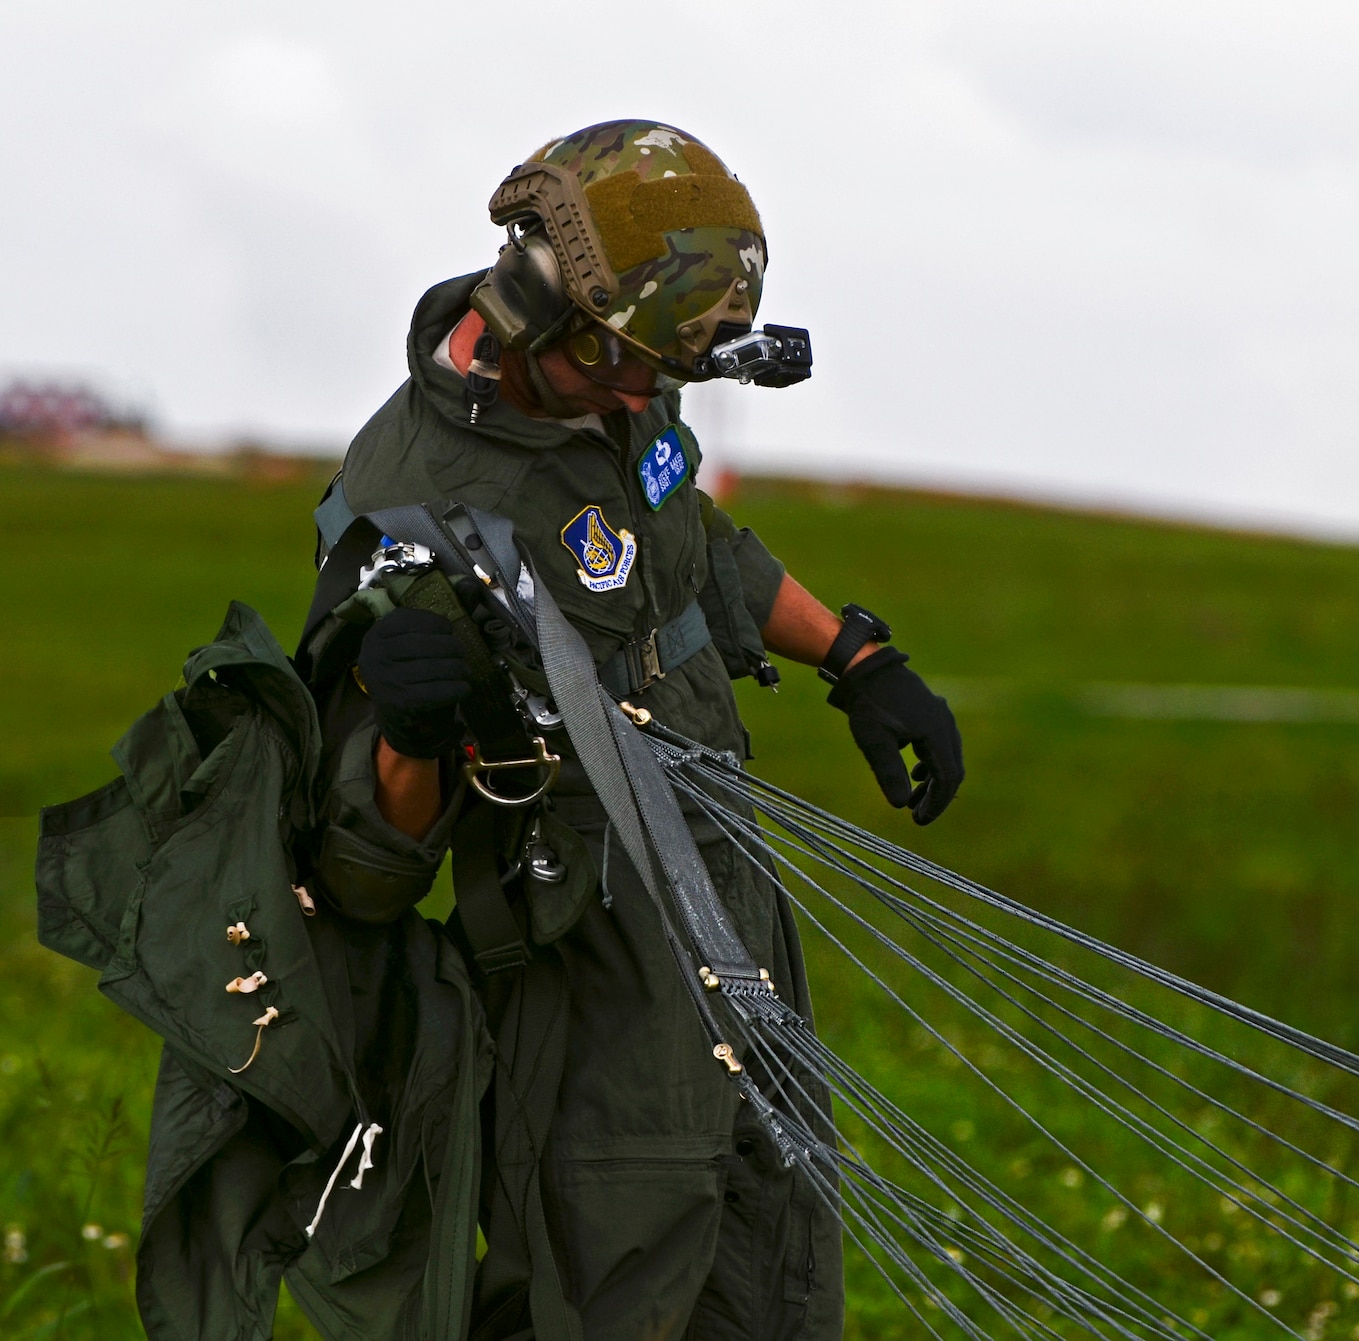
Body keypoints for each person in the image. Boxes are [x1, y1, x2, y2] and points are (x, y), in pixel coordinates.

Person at [304, 119, 964, 1340]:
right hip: (589, 968)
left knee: (770, 1248)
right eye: (621, 368)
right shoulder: (412, 500)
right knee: (617, 1281)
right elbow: (360, 861)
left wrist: (857, 657)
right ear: (530, 305)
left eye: (659, 375)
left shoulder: (622, 380)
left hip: (727, 905)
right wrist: (409, 725)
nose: (640, 396)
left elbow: (687, 543)